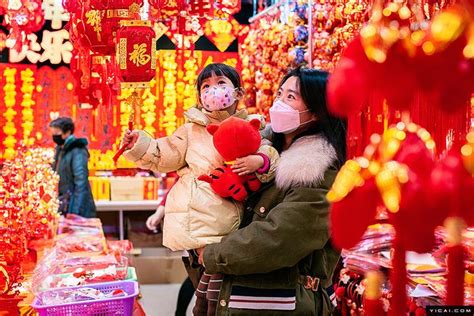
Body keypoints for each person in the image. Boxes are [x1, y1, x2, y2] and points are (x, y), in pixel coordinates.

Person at [121, 63, 279, 313]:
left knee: (212, 292)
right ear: (199, 96)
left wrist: (259, 162)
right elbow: (165, 153)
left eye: (220, 84)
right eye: (206, 86)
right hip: (197, 218)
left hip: (232, 219)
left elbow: (270, 156)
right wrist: (140, 143)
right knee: (208, 286)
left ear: (238, 93)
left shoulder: (252, 125)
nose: (213, 91)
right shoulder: (190, 131)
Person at [196, 68, 347, 315]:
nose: (279, 102)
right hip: (239, 297)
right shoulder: (264, 155)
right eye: (279, 93)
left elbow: (281, 237)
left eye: (291, 97)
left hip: (282, 304)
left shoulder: (317, 169)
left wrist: (212, 254)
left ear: (318, 111)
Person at [50, 117, 96, 218]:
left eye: (57, 133)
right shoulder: (60, 150)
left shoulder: (77, 150)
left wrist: (75, 212)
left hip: (75, 204)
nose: (54, 136)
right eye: (53, 133)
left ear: (68, 132)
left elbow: (81, 182)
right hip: (64, 202)